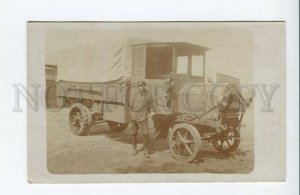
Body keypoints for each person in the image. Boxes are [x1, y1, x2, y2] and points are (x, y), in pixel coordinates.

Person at [130, 80, 154, 158]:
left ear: (144, 86)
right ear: (138, 87)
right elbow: (131, 106)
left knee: (145, 133)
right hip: (134, 115)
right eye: (139, 86)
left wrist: (152, 112)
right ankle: (134, 149)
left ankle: (146, 150)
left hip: (143, 116)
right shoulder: (135, 95)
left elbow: (150, 107)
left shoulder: (148, 95)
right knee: (133, 133)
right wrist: (132, 113)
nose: (141, 87)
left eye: (142, 86)